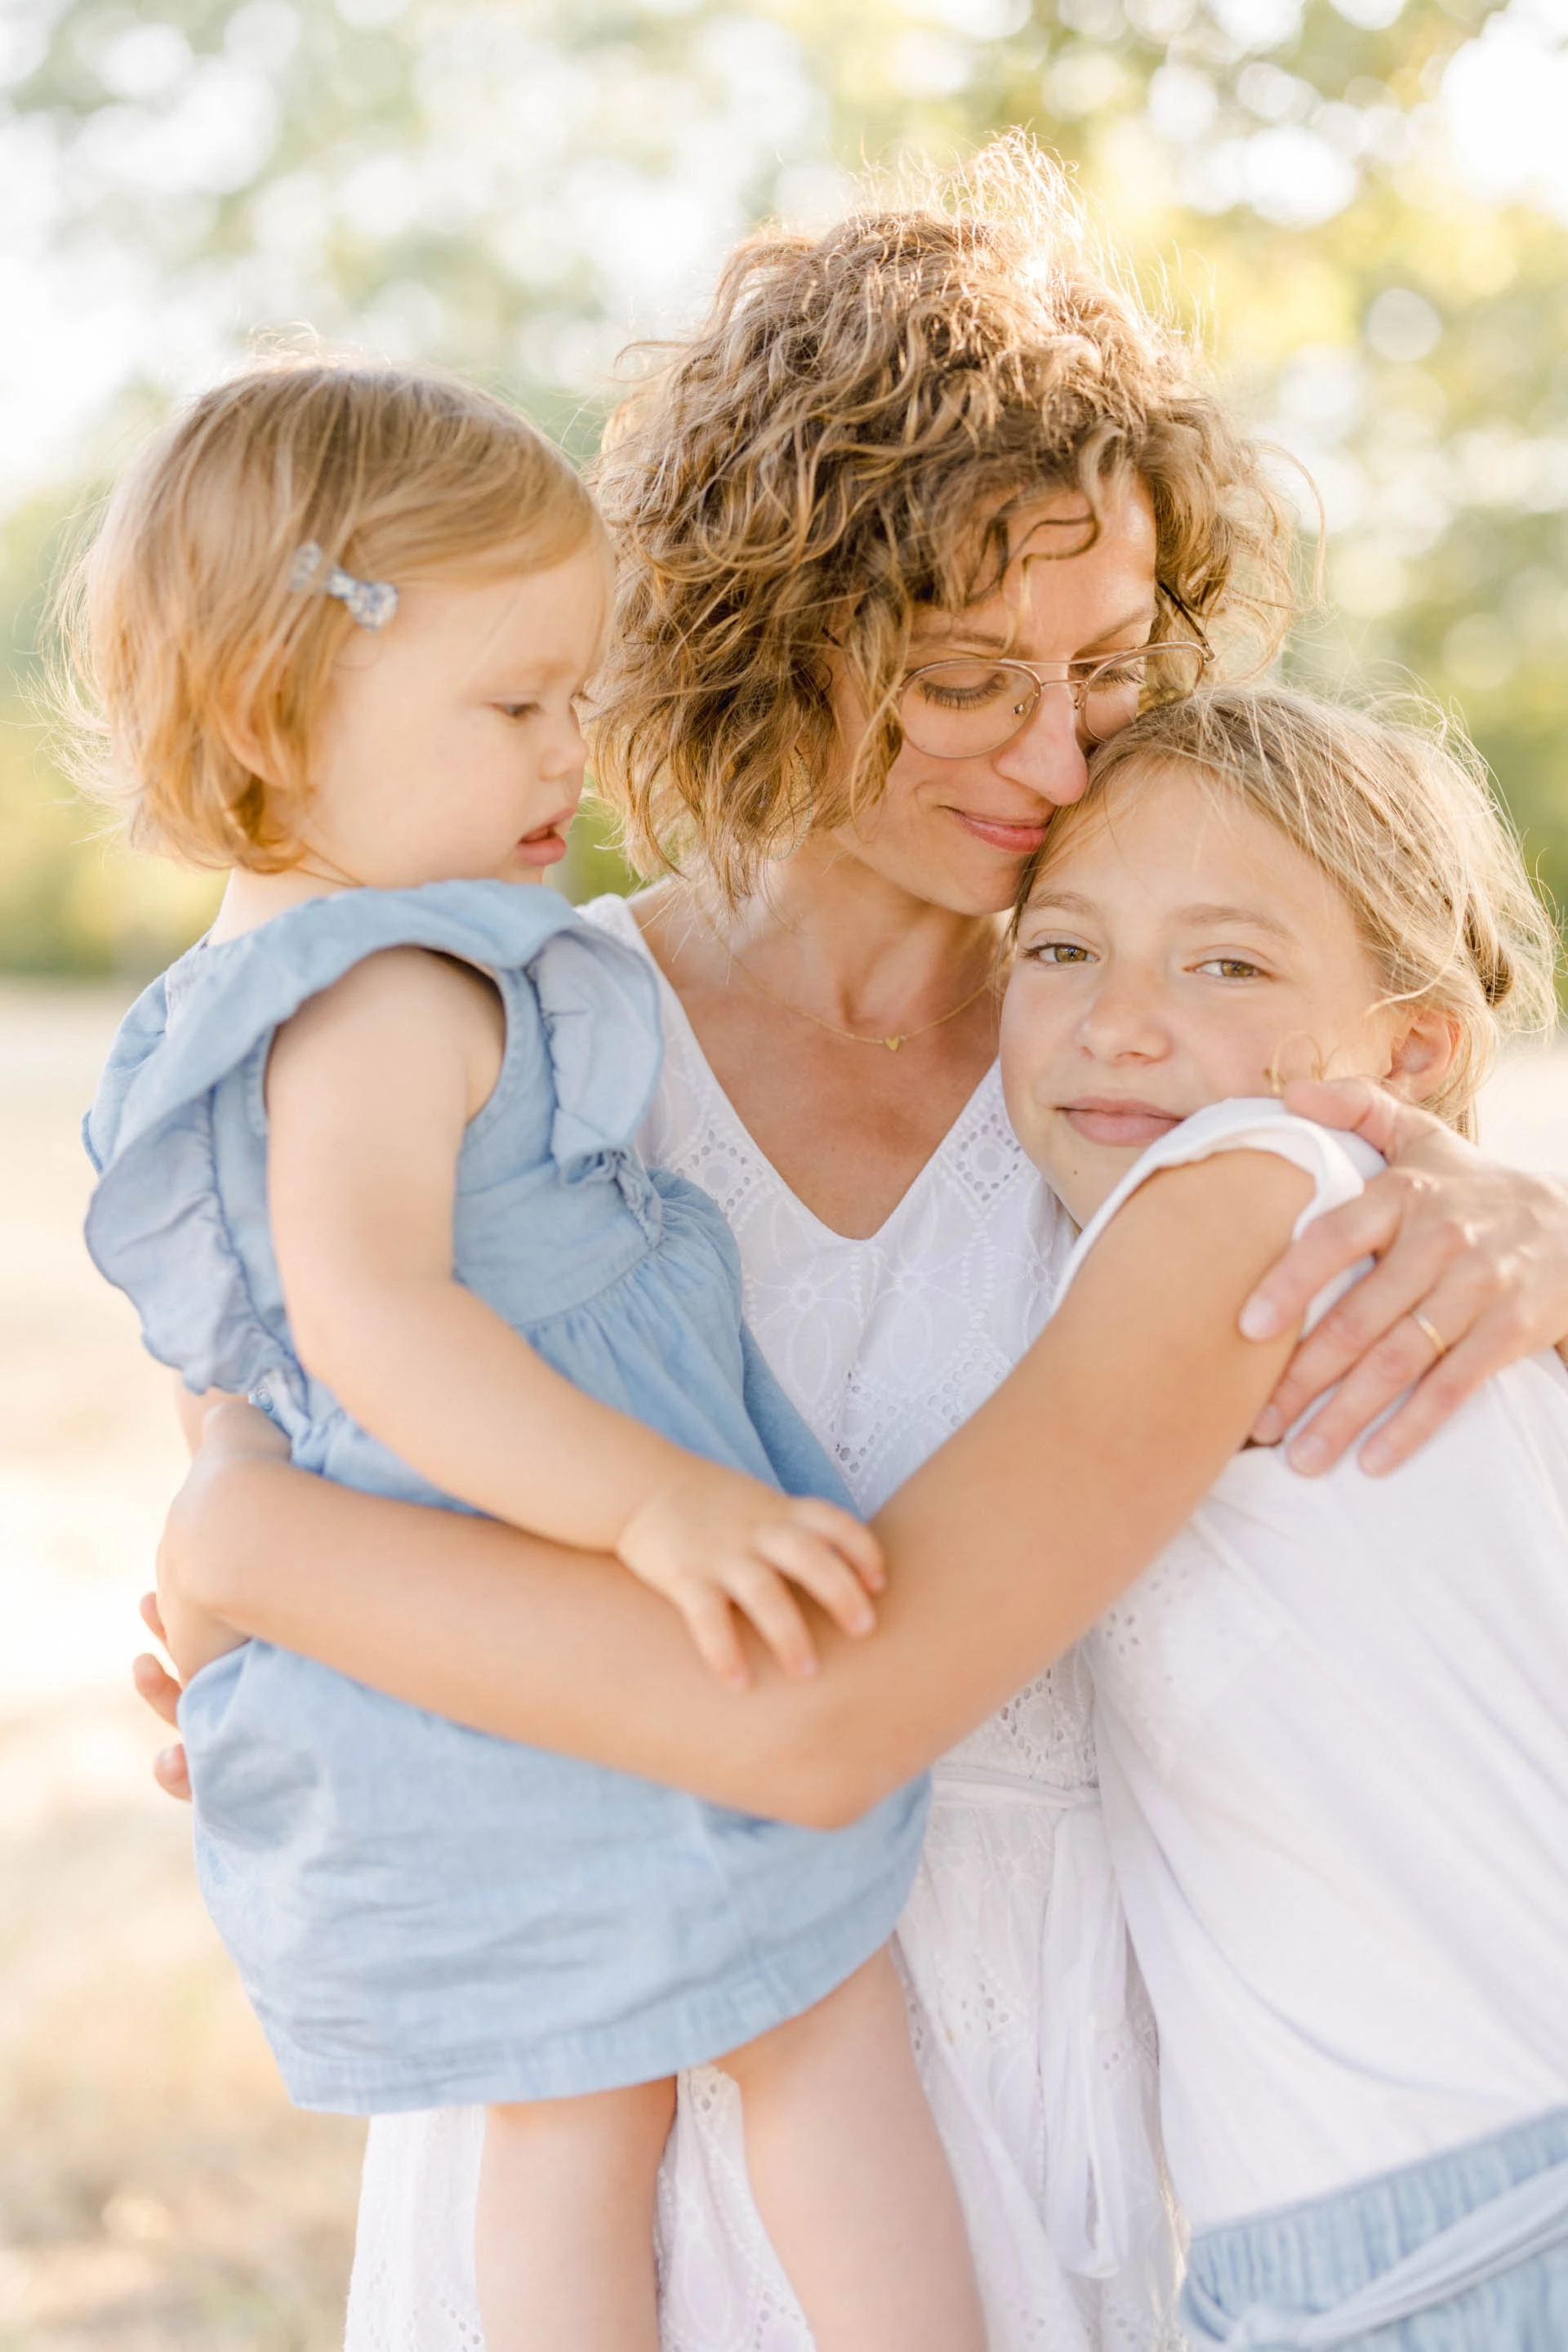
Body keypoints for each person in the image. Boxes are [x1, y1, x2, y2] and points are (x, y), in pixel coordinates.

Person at [136, 145, 1568, 2352]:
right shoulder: (487, 1029)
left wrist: (1527, 1224)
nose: (1063, 750)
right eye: (972, 675)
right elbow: (270, 1480)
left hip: (1001, 2109)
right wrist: (282, 1617)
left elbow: (1380, 1346)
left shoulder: (1136, 1072)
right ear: (770, 629)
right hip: (581, 2106)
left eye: (1106, 666)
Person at [77, 355, 984, 2352]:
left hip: (451, 1639)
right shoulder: (390, 986)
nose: (564, 753)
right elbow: (372, 1315)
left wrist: (247, 1561)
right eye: (511, 706)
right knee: (823, 2026)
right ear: (272, 713)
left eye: (572, 696)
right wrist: (660, 1498)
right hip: (560, 1586)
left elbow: (236, 1366)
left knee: (576, 2113)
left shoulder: (258, 987)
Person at [1000, 682, 1567, 2348]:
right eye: (1060, 950)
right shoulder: (1436, 1267)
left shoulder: (1256, 1200)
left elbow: (870, 1655)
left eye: (1225, 963)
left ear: (1410, 1051)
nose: (1118, 1023)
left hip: (1448, 2234)